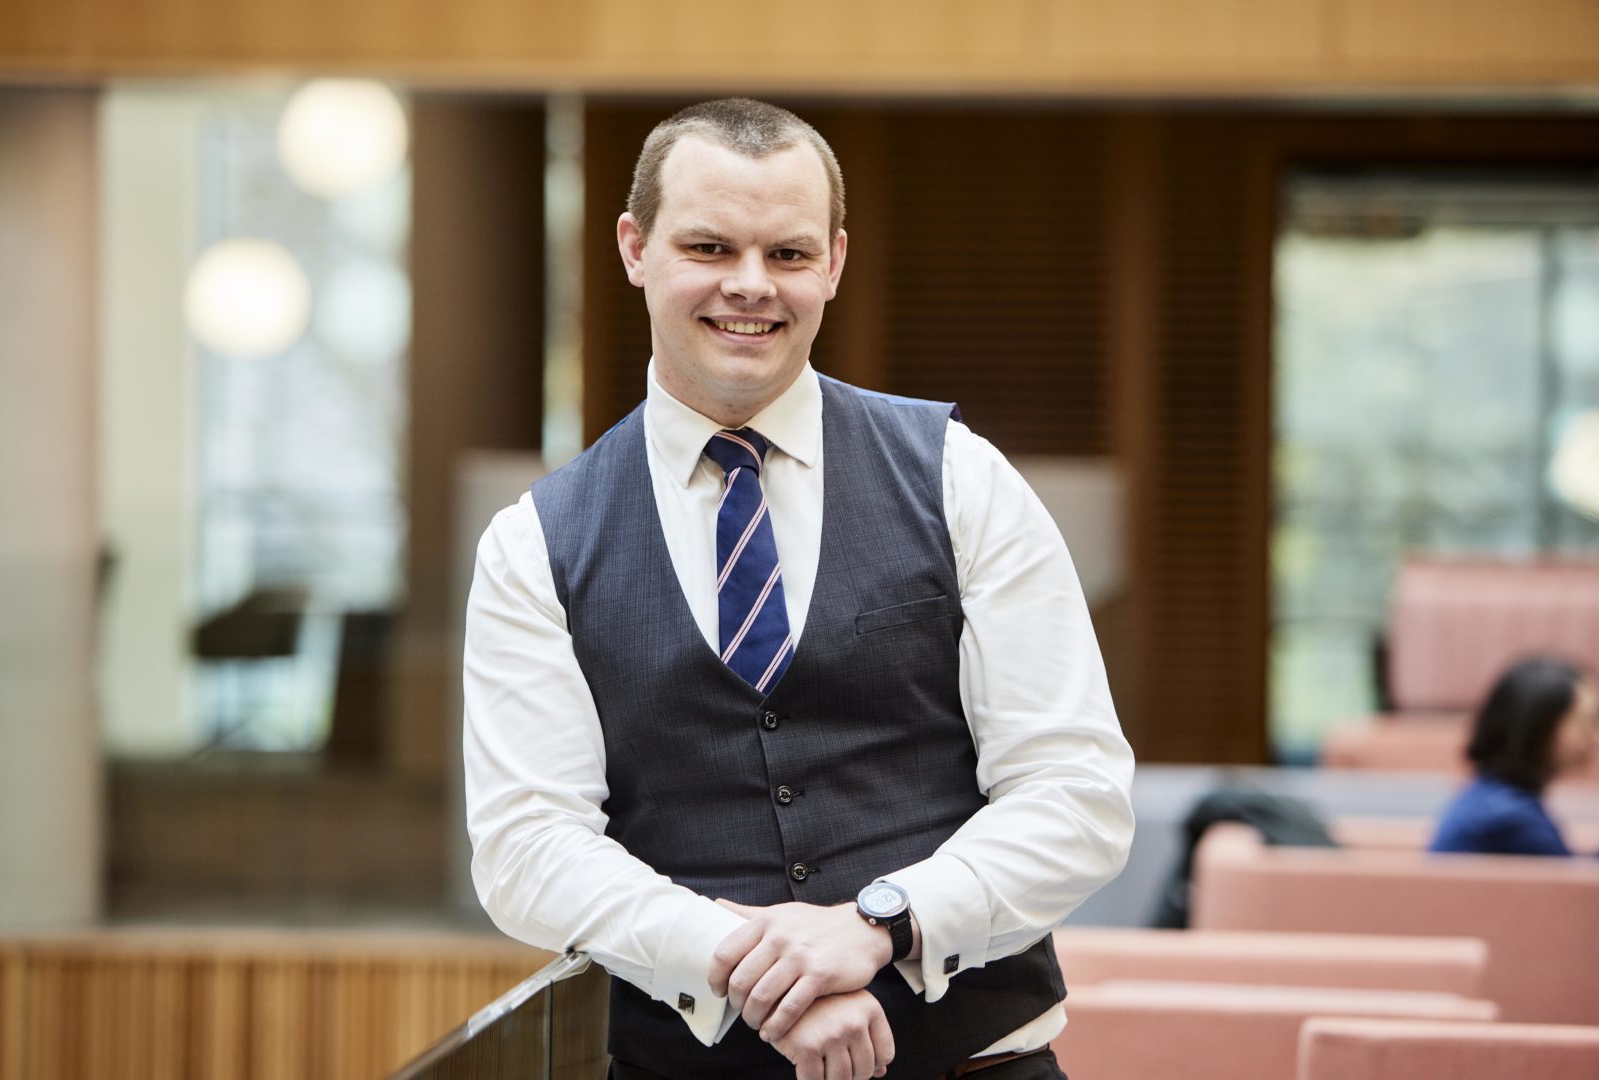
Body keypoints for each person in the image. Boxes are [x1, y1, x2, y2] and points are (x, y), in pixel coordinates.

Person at [463, 98, 1135, 1080]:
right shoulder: (534, 543)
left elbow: (1075, 790)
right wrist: (748, 968)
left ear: (833, 261)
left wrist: (882, 926)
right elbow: (528, 846)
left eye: (785, 253)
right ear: (633, 246)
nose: (749, 286)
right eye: (708, 247)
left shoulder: (960, 477)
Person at [1429, 655, 1597, 857]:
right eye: (1586, 722)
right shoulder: (1509, 819)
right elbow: (1571, 883)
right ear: (1539, 727)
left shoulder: (1492, 798)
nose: (1594, 736)